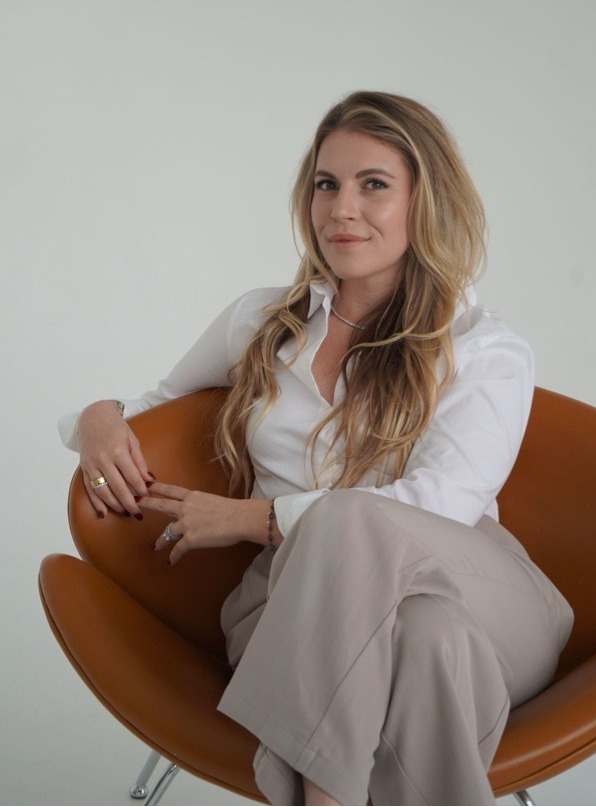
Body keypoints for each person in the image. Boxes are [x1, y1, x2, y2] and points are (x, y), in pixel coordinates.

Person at [59, 91, 573, 806]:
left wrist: (249, 519)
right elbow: (144, 408)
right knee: (425, 640)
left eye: (374, 185)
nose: (342, 210)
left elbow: (439, 505)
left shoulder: (483, 348)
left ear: (426, 199)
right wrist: (94, 420)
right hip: (296, 607)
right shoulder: (261, 324)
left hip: (479, 589)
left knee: (359, 535)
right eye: (326, 184)